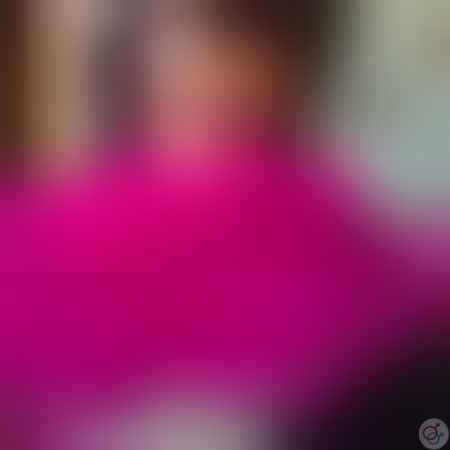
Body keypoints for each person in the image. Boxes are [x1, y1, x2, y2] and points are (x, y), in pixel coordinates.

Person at [1, 1, 449, 449]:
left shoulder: (323, 218)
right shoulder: (42, 235)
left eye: (249, 49)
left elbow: (395, 298)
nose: (219, 74)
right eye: (194, 41)